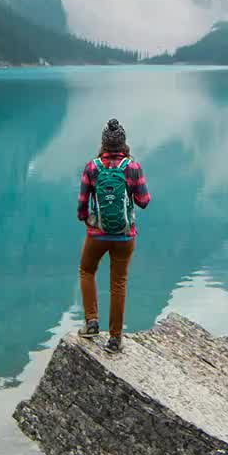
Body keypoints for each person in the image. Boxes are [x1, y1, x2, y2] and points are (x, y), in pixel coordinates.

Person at [75, 117, 149, 352]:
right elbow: (144, 201)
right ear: (123, 143)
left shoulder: (92, 167)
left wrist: (88, 220)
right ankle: (115, 339)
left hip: (97, 234)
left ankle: (91, 322)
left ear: (104, 144)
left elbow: (81, 207)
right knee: (118, 283)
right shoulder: (132, 167)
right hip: (125, 236)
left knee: (87, 270)